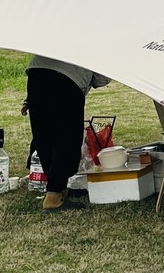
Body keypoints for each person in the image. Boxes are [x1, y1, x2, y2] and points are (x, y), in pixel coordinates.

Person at [21, 55, 110, 210]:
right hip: (68, 82)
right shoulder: (99, 38)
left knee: (44, 134)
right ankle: (53, 196)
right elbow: (102, 78)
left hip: (37, 73)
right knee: (66, 138)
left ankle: (56, 188)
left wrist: (29, 99)